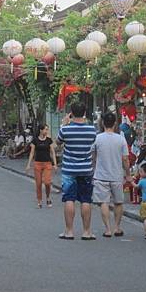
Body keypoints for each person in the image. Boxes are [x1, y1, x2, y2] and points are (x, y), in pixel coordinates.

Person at [56, 102, 97, 240]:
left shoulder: (65, 130)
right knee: (86, 200)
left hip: (69, 169)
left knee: (69, 199)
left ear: (71, 113)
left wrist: (64, 124)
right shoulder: (92, 130)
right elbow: (93, 145)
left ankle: (69, 231)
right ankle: (86, 232)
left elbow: (58, 142)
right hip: (86, 169)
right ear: (85, 112)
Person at [92, 112, 131, 238]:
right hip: (116, 175)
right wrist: (128, 174)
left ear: (103, 123)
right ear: (115, 123)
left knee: (103, 202)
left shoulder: (98, 138)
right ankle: (117, 227)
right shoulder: (121, 139)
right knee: (118, 202)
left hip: (101, 175)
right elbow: (125, 159)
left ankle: (107, 229)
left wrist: (93, 169)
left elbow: (93, 156)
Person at [26, 124, 58, 208]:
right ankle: (39, 201)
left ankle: (48, 197)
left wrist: (55, 164)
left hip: (47, 163)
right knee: (39, 183)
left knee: (47, 182)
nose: (46, 131)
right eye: (45, 129)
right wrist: (28, 164)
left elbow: (53, 152)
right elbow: (32, 153)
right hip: (38, 163)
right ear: (41, 130)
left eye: (47, 129)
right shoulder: (35, 140)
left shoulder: (49, 140)